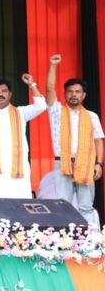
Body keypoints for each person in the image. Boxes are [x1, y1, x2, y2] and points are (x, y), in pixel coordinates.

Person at [46, 54, 104, 223]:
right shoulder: (56, 111)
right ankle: (66, 237)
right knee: (63, 206)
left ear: (83, 95)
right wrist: (53, 65)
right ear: (64, 94)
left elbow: (98, 140)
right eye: (70, 91)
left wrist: (99, 164)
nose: (73, 95)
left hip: (86, 164)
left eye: (77, 92)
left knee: (86, 206)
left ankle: (90, 238)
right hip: (62, 163)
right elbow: (49, 90)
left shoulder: (91, 116)